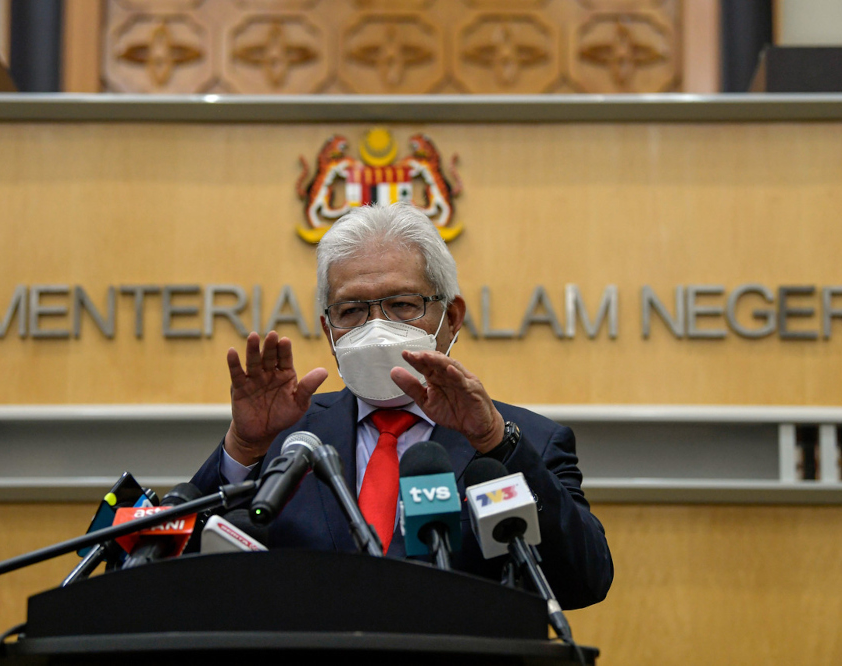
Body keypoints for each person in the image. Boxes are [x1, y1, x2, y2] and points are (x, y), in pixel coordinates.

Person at [191, 202, 612, 609]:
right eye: (352, 309)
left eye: (403, 305)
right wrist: (244, 448)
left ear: (451, 317)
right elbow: (187, 568)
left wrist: (494, 442)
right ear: (328, 330)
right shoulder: (286, 440)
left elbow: (584, 580)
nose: (377, 327)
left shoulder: (526, 441)